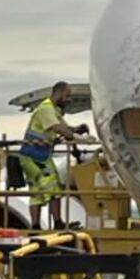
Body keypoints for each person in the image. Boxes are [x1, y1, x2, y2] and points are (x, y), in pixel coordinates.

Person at [18, 81, 89, 230]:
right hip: (34, 155)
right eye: (67, 96)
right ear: (58, 93)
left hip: (38, 155)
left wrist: (77, 130)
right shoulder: (46, 108)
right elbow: (57, 128)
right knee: (53, 188)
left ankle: (39, 225)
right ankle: (55, 223)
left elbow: (65, 128)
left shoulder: (54, 110)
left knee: (38, 191)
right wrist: (78, 137)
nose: (69, 100)